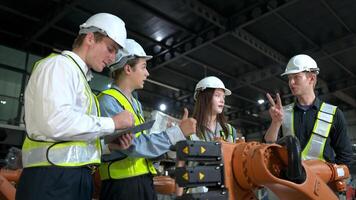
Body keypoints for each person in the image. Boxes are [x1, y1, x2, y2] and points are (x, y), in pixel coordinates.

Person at [16, 13, 135, 200]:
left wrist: (107, 146)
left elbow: (70, 144)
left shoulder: (79, 78)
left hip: (70, 178)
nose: (112, 58)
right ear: (90, 38)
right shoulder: (59, 66)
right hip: (52, 180)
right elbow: (55, 122)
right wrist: (113, 123)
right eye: (110, 49)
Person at [97, 39, 197, 200]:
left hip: (143, 181)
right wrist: (177, 132)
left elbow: (145, 148)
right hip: (122, 186)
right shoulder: (108, 101)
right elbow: (134, 146)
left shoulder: (135, 104)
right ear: (128, 68)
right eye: (143, 67)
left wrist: (171, 142)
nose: (147, 73)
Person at [264, 54, 353, 167]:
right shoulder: (283, 113)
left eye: (296, 77)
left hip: (323, 182)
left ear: (311, 78)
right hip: (292, 181)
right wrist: (275, 123)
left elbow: (346, 158)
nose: (291, 82)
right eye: (289, 78)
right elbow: (268, 145)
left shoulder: (334, 114)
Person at [176, 76, 238, 195]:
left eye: (223, 97)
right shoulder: (188, 128)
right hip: (196, 193)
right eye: (217, 95)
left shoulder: (229, 131)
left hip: (224, 193)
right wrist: (178, 197)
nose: (222, 100)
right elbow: (180, 165)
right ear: (204, 98)